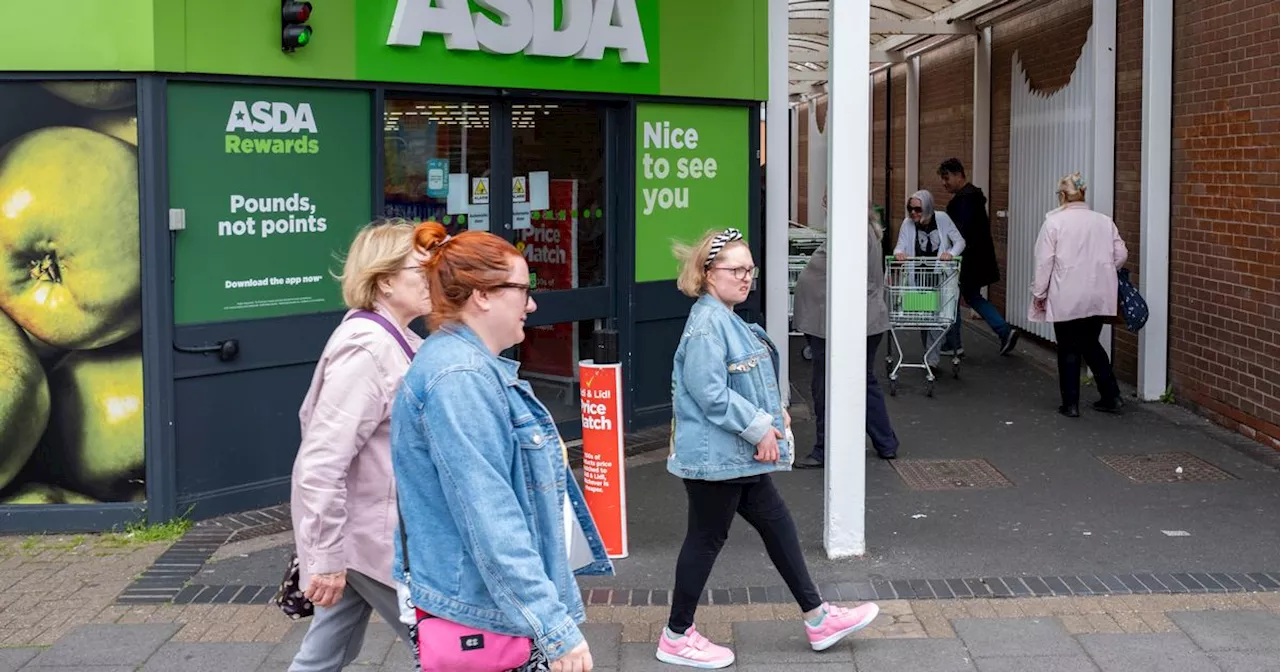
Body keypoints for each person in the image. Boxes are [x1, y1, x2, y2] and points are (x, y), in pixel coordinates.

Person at [391, 224, 613, 672]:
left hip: (488, 606)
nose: (531, 304)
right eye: (522, 289)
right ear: (482, 295)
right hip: (486, 613)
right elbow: (491, 519)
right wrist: (555, 629)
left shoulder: (468, 368)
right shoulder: (460, 380)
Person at [658, 228, 880, 668]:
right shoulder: (708, 325)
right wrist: (760, 427)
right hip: (716, 458)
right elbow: (709, 393)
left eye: (749, 269)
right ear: (706, 274)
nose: (745, 278)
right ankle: (676, 635)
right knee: (706, 538)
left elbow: (738, 384)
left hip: (732, 456)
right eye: (735, 269)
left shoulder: (726, 316)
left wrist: (772, 420)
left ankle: (818, 618)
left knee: (777, 526)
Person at [288, 218, 433, 672]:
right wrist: (327, 558)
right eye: (422, 270)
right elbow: (321, 463)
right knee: (450, 651)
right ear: (385, 280)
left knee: (320, 657)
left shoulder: (398, 337)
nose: (436, 279)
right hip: (373, 543)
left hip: (365, 535)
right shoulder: (367, 348)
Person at [791, 207, 900, 469]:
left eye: (829, 201)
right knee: (862, 381)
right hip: (854, 319)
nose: (826, 206)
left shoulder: (852, 231)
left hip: (840, 322)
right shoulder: (865, 230)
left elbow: (845, 277)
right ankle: (886, 442)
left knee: (825, 384)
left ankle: (824, 448)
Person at [1029, 172, 1129, 418]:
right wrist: (1103, 270)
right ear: (1082, 194)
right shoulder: (1104, 221)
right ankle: (1111, 395)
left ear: (1062, 195)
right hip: (1098, 292)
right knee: (1090, 343)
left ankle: (1071, 404)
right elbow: (1121, 255)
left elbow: (1045, 262)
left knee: (1068, 347)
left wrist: (1039, 292)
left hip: (1067, 293)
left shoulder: (1054, 223)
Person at [937, 158, 1019, 357]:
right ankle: (1003, 331)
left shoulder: (962, 202)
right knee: (972, 297)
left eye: (946, 178)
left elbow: (959, 233)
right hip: (977, 258)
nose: (944, 183)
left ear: (958, 175)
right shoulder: (973, 198)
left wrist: (950, 253)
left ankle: (954, 343)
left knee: (952, 298)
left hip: (965, 260)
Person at [893, 189, 966, 369]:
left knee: (936, 318)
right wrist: (899, 254)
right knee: (924, 318)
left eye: (918, 209)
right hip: (918, 277)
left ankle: (931, 359)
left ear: (927, 208)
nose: (913, 213)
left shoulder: (942, 219)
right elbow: (899, 247)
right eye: (910, 208)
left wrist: (950, 254)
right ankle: (930, 353)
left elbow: (959, 242)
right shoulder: (907, 224)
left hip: (939, 277)